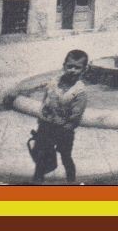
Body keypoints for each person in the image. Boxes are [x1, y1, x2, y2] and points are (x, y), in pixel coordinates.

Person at [32, 49, 88, 184]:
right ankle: (37, 181)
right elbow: (46, 100)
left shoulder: (80, 92)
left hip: (64, 130)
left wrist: (63, 131)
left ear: (84, 70)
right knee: (41, 156)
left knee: (65, 157)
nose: (72, 70)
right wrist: (41, 119)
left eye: (77, 67)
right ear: (64, 66)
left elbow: (76, 116)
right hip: (46, 126)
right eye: (70, 66)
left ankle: (71, 181)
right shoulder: (54, 81)